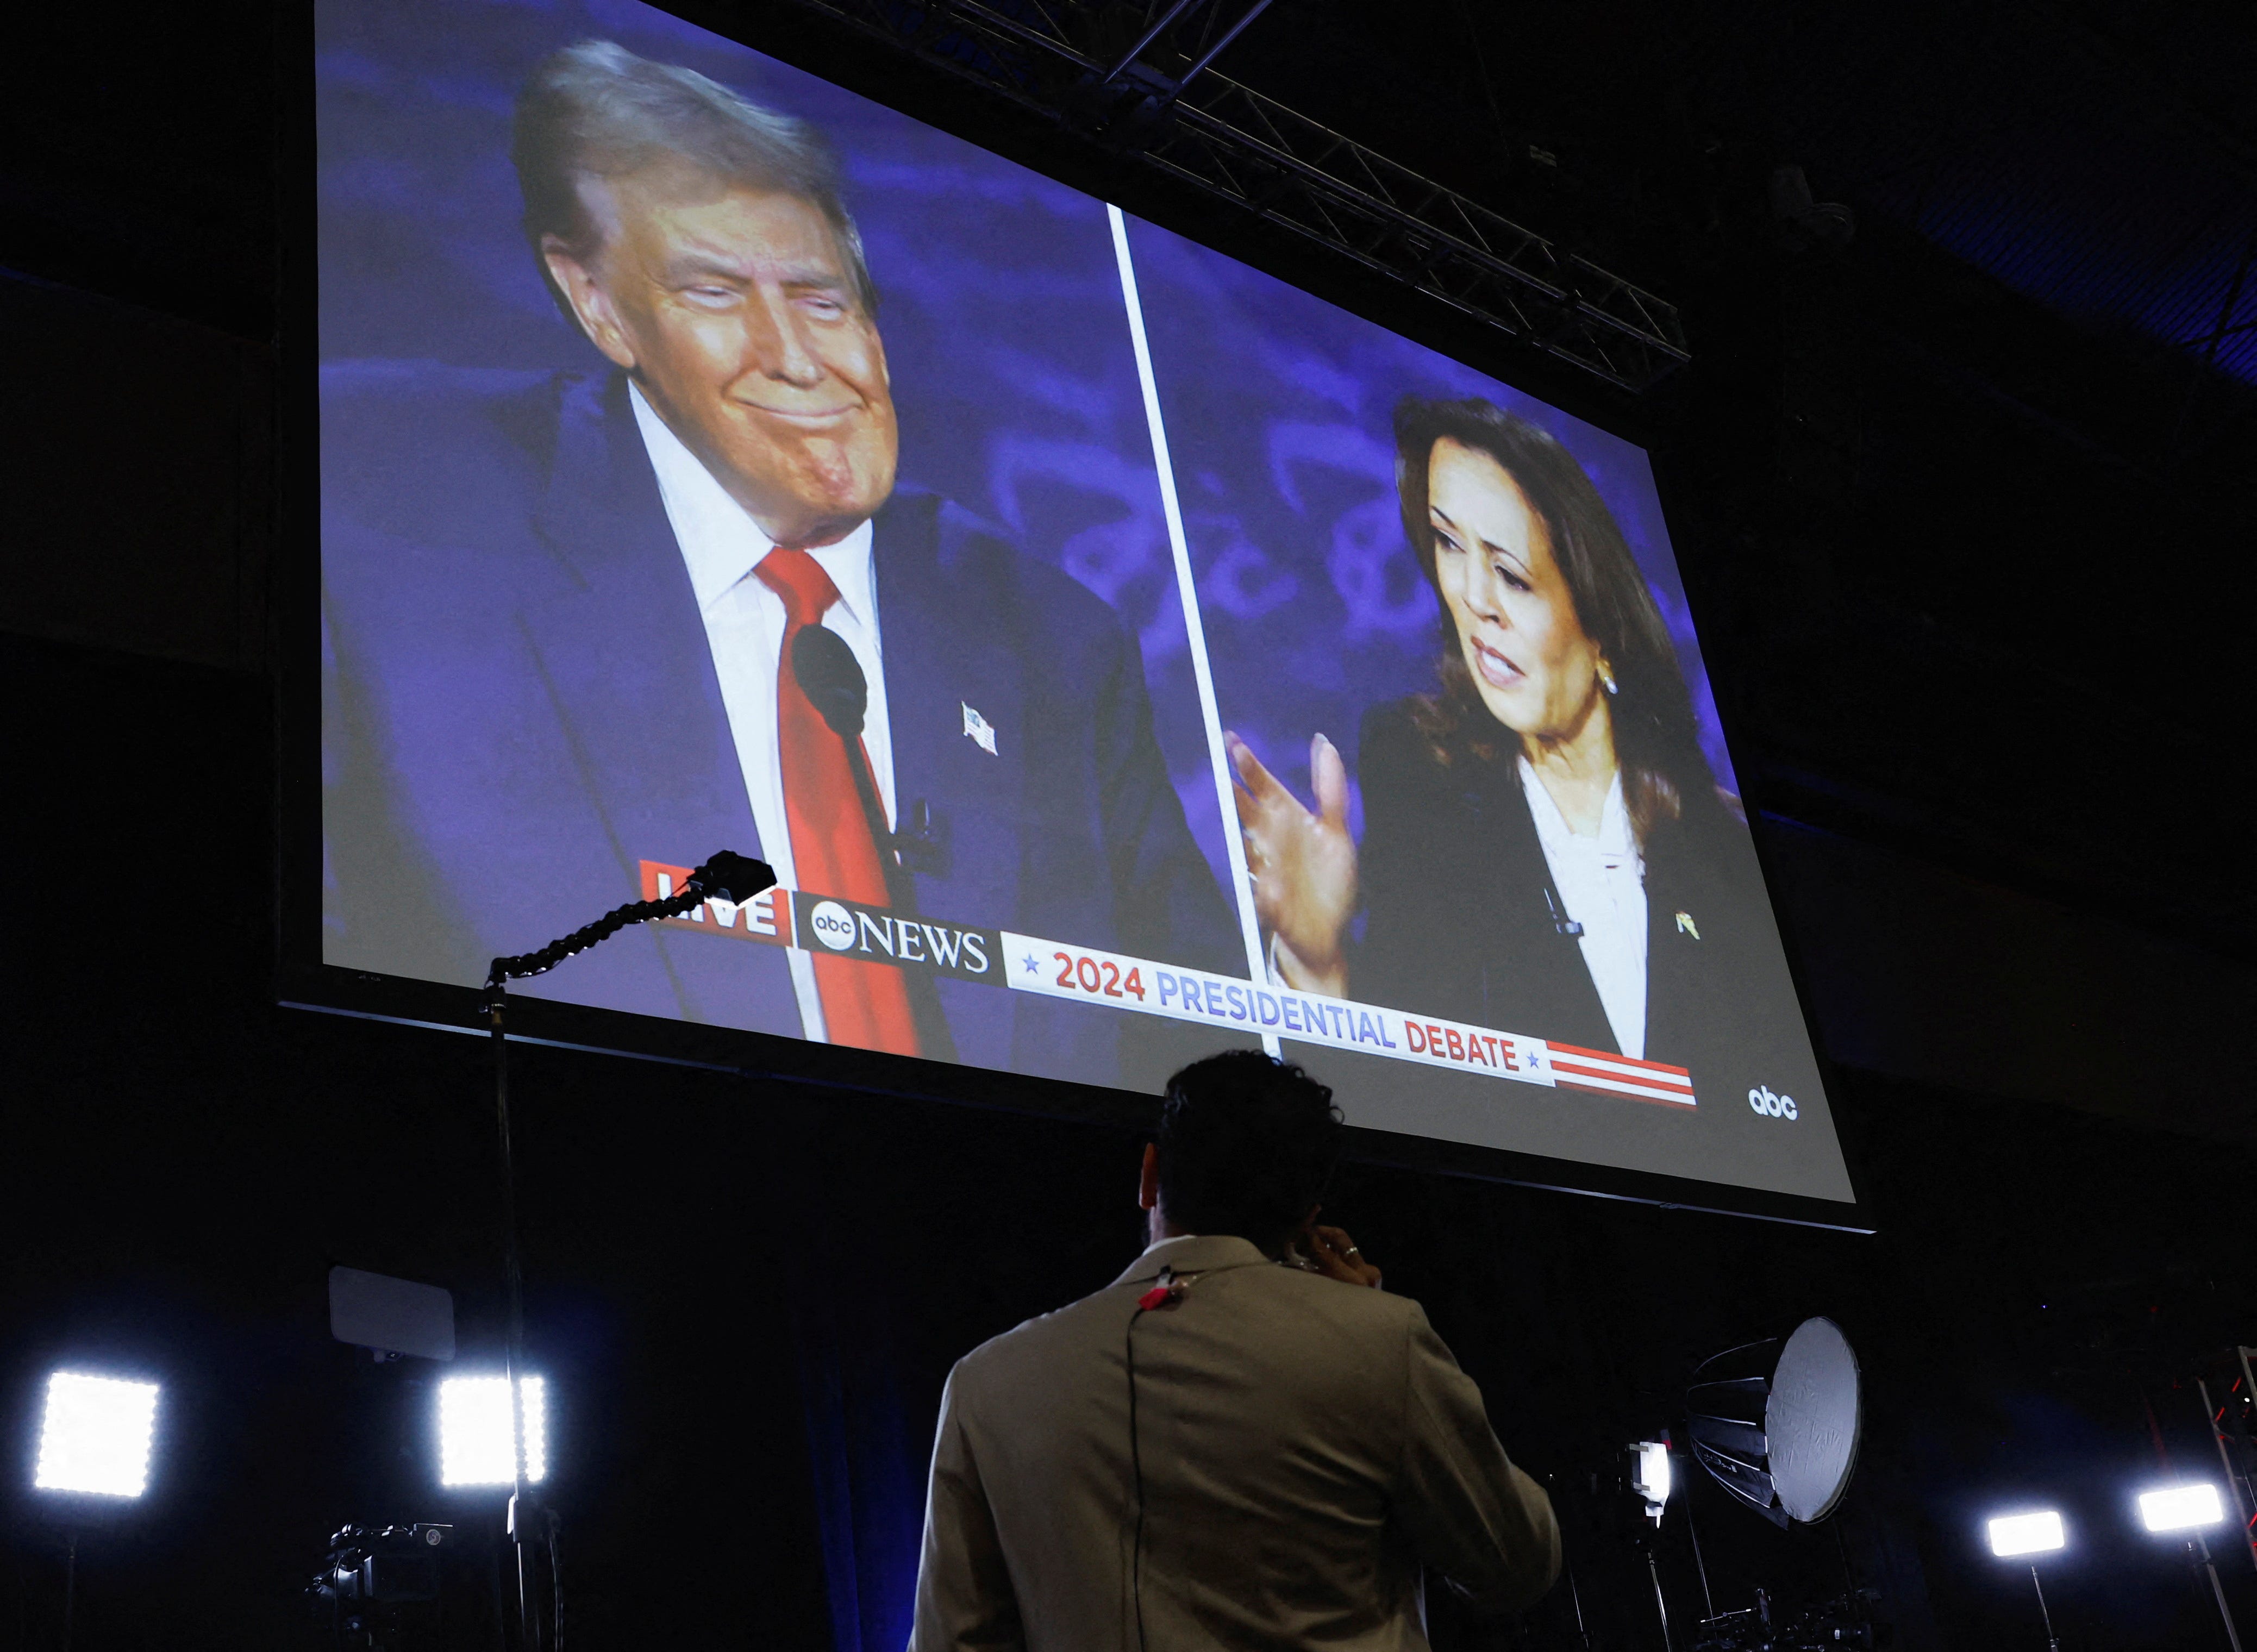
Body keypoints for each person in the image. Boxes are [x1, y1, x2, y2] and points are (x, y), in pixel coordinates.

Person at [320, 41, 1238, 1086]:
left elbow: (1190, 1060)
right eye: (713, 293)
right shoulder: (379, 524)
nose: (797, 358)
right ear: (597, 305)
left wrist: (1299, 977)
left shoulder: (1053, 644)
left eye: (818, 298)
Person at [909, 1050, 1560, 1649]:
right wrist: (1366, 1318)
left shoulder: (985, 1381)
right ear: (1308, 1214)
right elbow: (1514, 1564)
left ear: (1149, 1175)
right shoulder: (1380, 1340)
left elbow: (952, 1641)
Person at [1228, 396, 1786, 1080]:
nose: (1471, 597)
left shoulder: (1722, 847)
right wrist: (1317, 966)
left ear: (1601, 628)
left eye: (1513, 576)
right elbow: (1406, 1091)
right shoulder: (1417, 774)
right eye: (1448, 543)